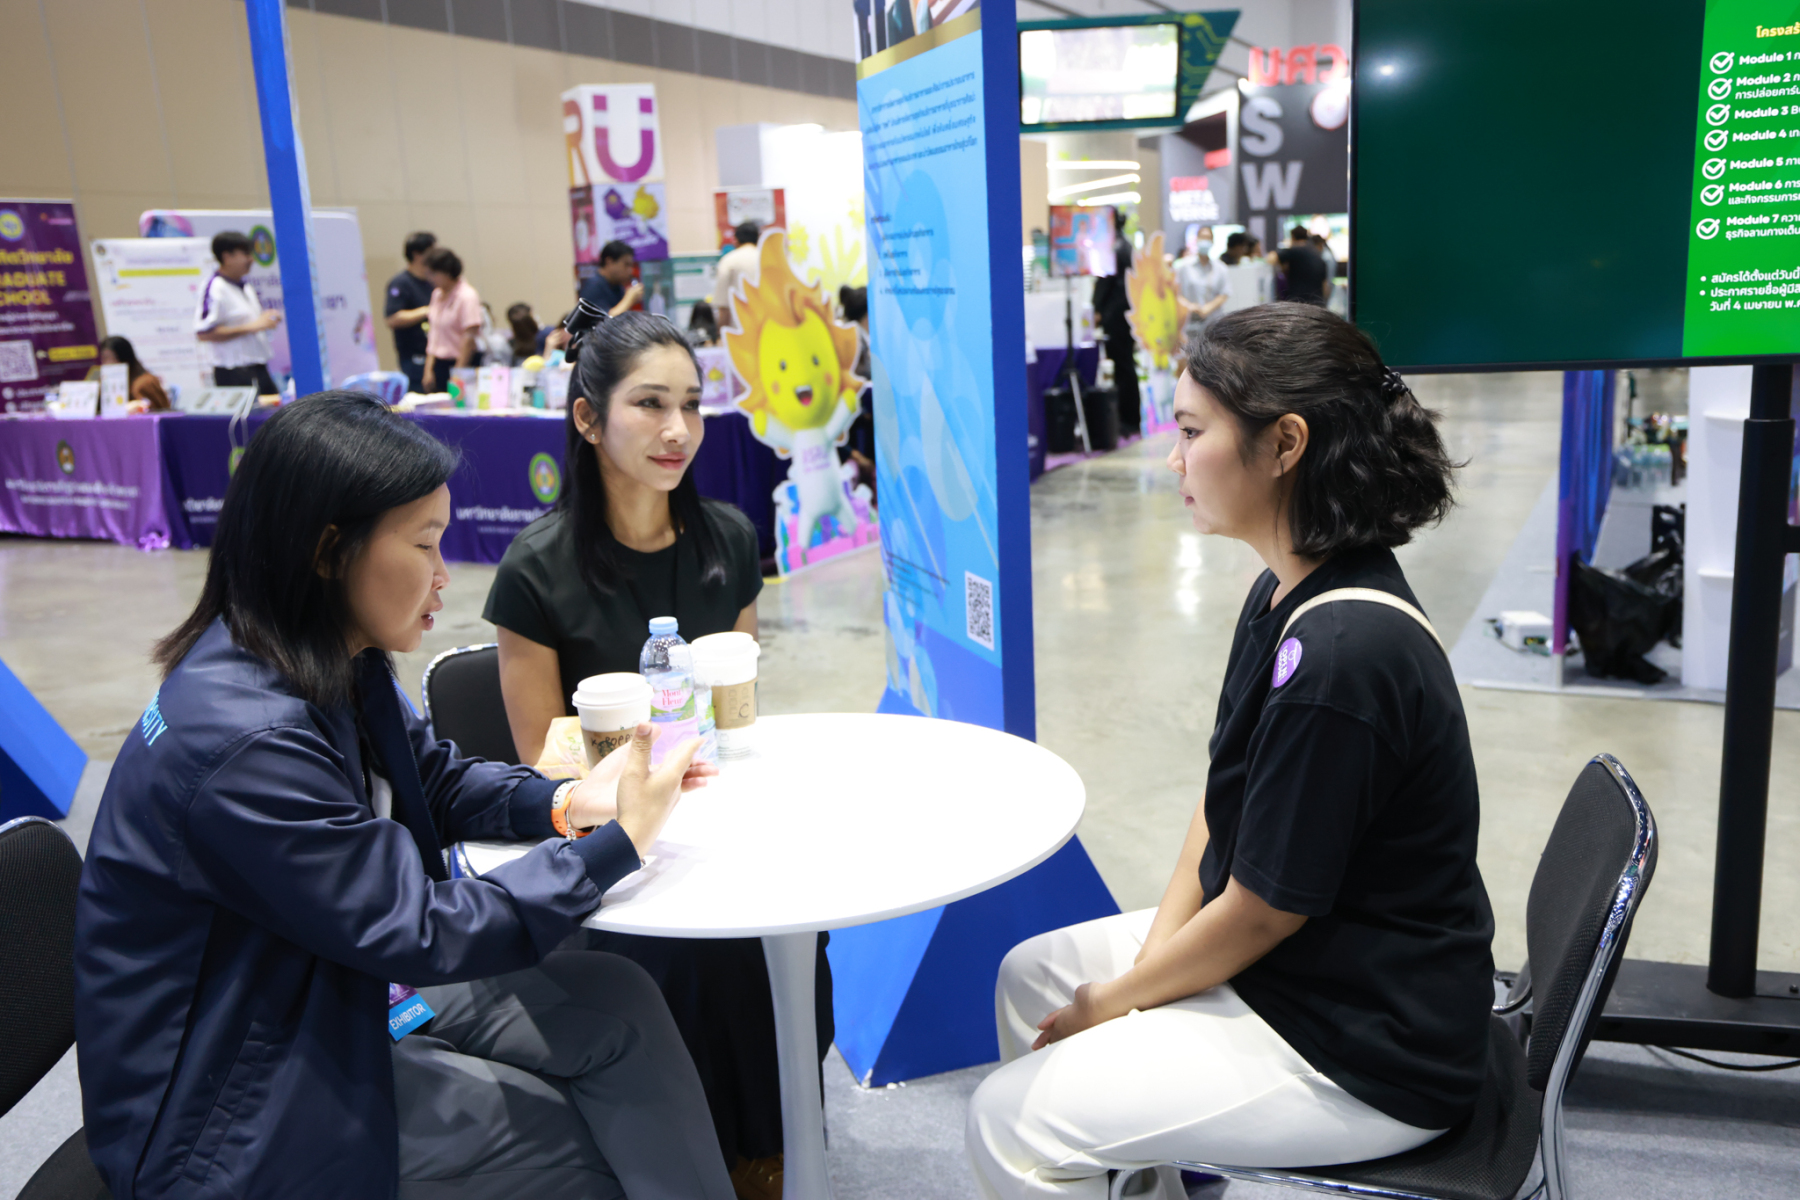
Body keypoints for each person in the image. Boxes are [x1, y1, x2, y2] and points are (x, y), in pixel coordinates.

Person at [74, 390, 735, 1200]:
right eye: (424, 544)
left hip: (323, 983)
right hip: (228, 1107)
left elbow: (432, 778)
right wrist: (615, 845)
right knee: (580, 1146)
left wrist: (568, 803)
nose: (444, 575)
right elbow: (417, 928)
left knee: (619, 1001)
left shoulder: (322, 652)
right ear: (329, 550)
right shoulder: (246, 743)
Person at [967, 304, 1494, 1199]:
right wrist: (1141, 985)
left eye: (1190, 432)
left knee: (1009, 1123)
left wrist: (1119, 1003)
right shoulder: (1281, 593)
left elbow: (1261, 913)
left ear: (1285, 443)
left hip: (1364, 1041)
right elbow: (1219, 809)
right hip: (1299, 968)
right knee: (1031, 979)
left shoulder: (1344, 656)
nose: (1172, 460)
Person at [484, 314, 828, 1199]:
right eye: (649, 405)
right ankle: (703, 1159)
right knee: (692, 953)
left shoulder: (728, 539)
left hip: (718, 814)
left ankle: (770, 1149)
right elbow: (539, 759)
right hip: (609, 841)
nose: (678, 430)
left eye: (692, 405)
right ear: (588, 418)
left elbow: (736, 708)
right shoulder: (536, 568)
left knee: (792, 924)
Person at [194, 230, 280, 395]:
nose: (251, 260)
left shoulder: (246, 287)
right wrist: (254, 326)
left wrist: (265, 319)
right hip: (233, 372)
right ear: (227, 257)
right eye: (246, 254)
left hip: (258, 367)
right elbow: (204, 333)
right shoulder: (215, 287)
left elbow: (252, 323)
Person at [1089, 207, 1141, 437]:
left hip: (1115, 316)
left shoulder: (1113, 248)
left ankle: (1128, 420)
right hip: (1124, 314)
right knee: (1126, 366)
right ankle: (1130, 418)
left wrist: (1096, 308)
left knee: (1122, 367)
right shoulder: (1125, 246)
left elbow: (1104, 282)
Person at [421, 246, 480, 393]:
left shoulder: (467, 296)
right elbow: (434, 335)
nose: (430, 278)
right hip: (439, 364)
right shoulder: (437, 295)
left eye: (433, 274)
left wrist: (458, 374)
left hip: (461, 363)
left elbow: (468, 337)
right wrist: (428, 369)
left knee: (457, 403)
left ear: (446, 272)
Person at [384, 231, 436, 393]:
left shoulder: (433, 281)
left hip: (435, 357)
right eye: (432, 251)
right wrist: (426, 311)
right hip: (414, 360)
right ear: (417, 254)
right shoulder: (401, 283)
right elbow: (392, 318)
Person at [1174, 232, 1229, 342]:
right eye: (1202, 237)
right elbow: (1175, 292)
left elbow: (1224, 293)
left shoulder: (1220, 268)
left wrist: (1208, 308)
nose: (1205, 241)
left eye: (1208, 238)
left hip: (1213, 322)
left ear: (1212, 241)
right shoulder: (1183, 266)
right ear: (1197, 240)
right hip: (1189, 322)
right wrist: (1189, 306)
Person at [94, 336, 171, 412]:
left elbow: (161, 411)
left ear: (124, 358)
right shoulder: (105, 381)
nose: (107, 364)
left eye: (111, 358)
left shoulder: (145, 383)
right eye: (104, 359)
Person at [578, 240, 644, 318]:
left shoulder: (617, 286)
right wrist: (629, 299)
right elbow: (605, 320)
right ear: (609, 262)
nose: (630, 270)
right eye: (626, 265)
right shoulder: (593, 286)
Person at [1270, 225, 1329, 306]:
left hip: (1299, 302)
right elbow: (1325, 285)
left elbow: (1271, 258)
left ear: (1293, 237)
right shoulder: (1317, 254)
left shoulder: (1294, 251)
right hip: (1318, 302)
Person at [713, 222, 761, 311]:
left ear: (736, 239)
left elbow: (722, 303)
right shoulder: (768, 259)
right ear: (758, 238)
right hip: (769, 318)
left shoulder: (728, 260)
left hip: (738, 317)